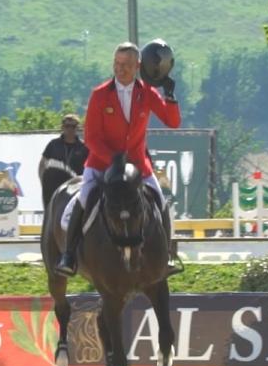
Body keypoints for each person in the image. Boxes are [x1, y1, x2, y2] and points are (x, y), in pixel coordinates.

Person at [56, 42, 181, 277]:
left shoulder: (147, 93)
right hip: (102, 164)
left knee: (160, 202)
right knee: (84, 200)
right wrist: (114, 160)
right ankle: (69, 255)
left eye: (125, 65)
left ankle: (168, 255)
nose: (119, 69)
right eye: (116, 63)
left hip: (137, 166)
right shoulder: (100, 94)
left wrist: (170, 95)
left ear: (137, 66)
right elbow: (91, 137)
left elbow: (172, 121)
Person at [38, 113, 88, 208]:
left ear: (77, 128)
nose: (70, 129)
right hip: (53, 187)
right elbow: (42, 164)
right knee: (50, 216)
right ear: (62, 127)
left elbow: (88, 168)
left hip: (74, 188)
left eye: (73, 126)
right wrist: (43, 183)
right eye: (67, 126)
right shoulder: (53, 144)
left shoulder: (84, 147)